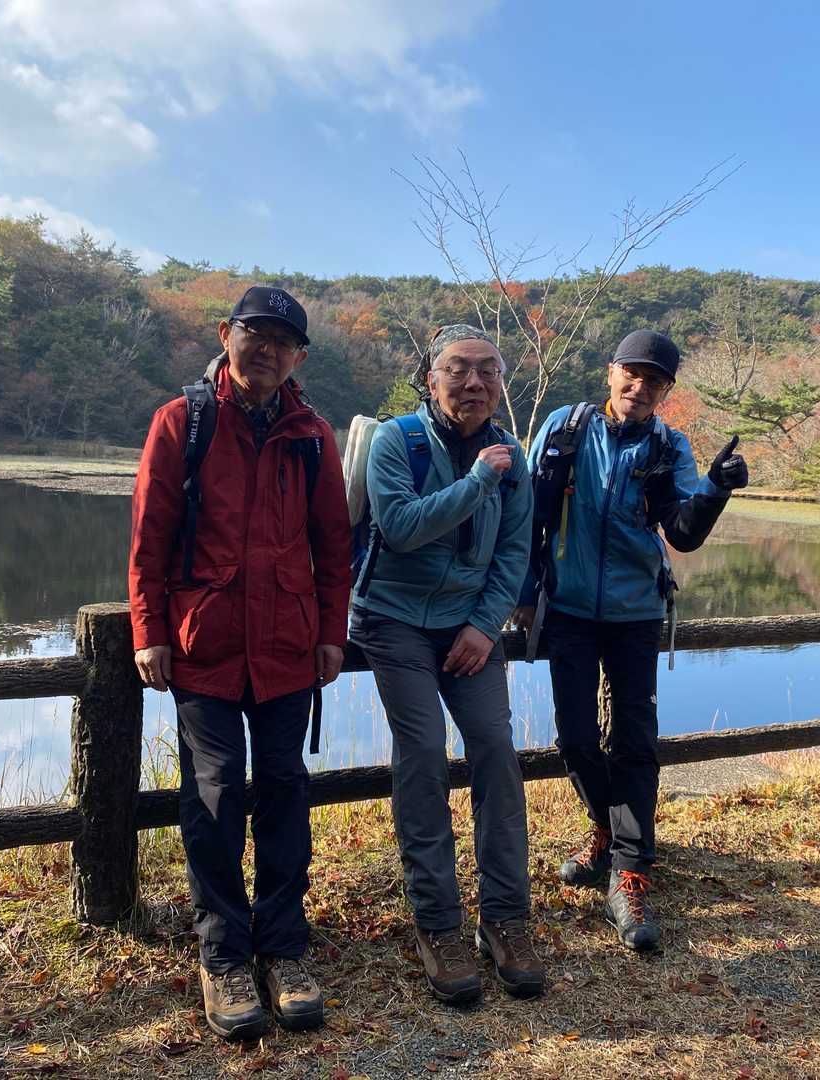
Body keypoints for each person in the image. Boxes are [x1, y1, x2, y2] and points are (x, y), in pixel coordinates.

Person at [128, 286, 352, 1040]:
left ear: (299, 358)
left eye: (284, 342)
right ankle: (223, 954)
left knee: (285, 789)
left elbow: (334, 547)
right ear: (226, 334)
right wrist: (149, 630)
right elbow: (149, 541)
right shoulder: (182, 422)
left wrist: (331, 632)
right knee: (215, 795)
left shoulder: (312, 435)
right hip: (207, 643)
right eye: (256, 333)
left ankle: (284, 946)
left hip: (288, 644)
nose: (268, 350)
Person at [513, 329, 748, 951]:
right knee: (575, 738)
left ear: (666, 391)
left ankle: (629, 870)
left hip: (637, 612)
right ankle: (609, 832)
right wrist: (525, 590)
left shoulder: (670, 448)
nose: (640, 387)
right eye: (632, 374)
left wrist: (716, 488)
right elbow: (529, 516)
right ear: (611, 371)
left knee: (636, 740)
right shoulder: (565, 430)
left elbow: (683, 532)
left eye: (655, 381)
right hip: (567, 609)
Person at [350, 324, 543, 1004]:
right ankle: (438, 924)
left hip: (468, 627)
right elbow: (401, 528)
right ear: (431, 381)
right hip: (393, 619)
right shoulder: (395, 440)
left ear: (501, 383)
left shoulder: (512, 456)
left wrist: (485, 626)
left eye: (487, 371)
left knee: (495, 749)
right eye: (458, 369)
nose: (473, 382)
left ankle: (506, 918)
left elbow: (514, 552)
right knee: (425, 751)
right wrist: (478, 479)